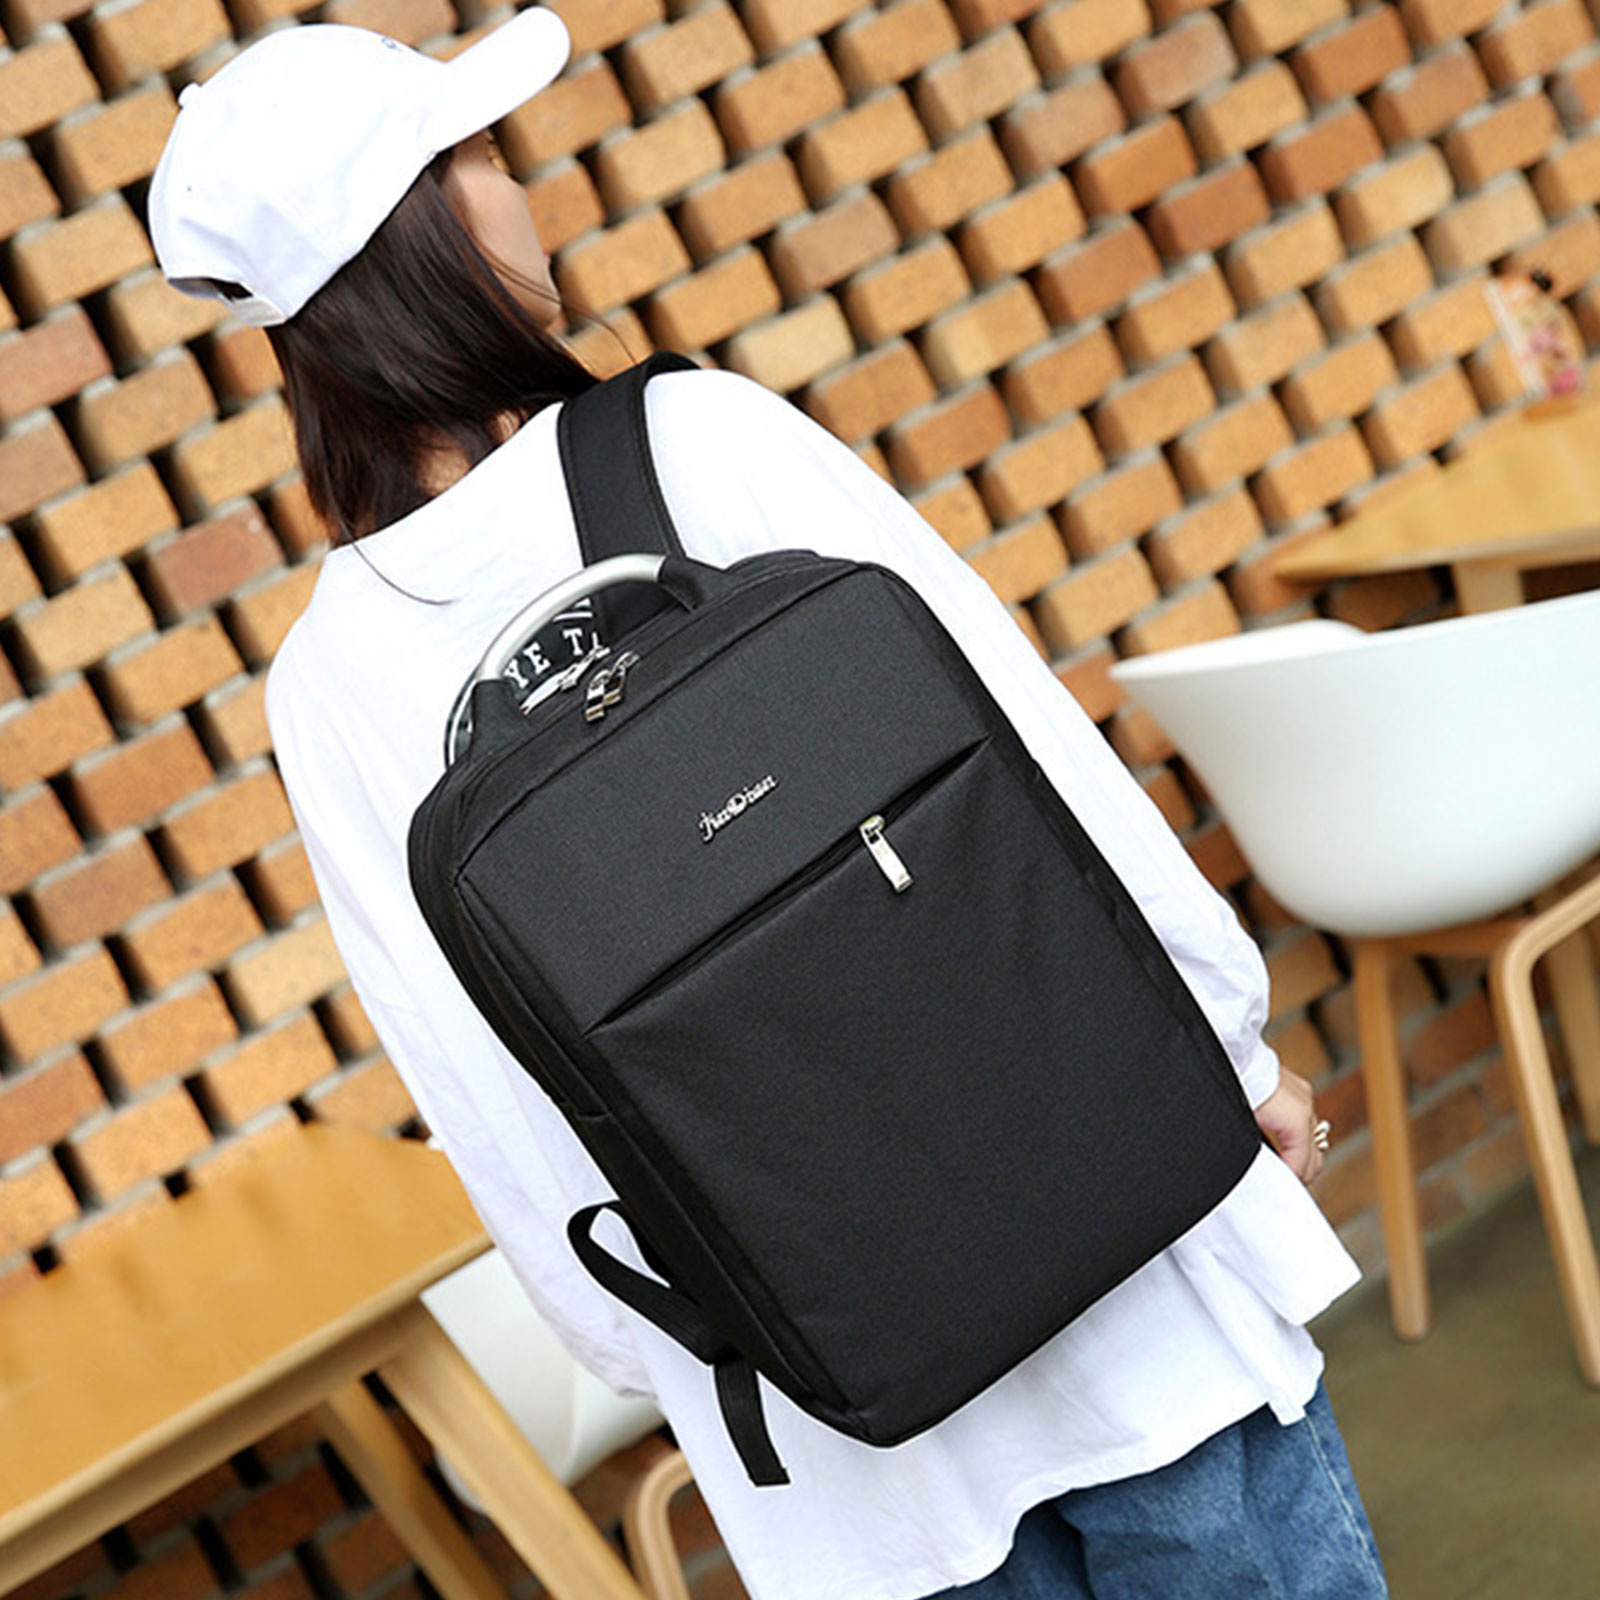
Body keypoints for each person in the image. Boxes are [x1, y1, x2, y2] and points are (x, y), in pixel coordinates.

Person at [148, 14, 1387, 1599]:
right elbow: (1029, 760)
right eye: (484, 159)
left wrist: (676, 1350)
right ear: (427, 230)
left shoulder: (328, 683)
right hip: (1106, 1233)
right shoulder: (693, 440)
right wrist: (1225, 1052)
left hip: (833, 1417)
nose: (521, 191)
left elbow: (480, 1085)